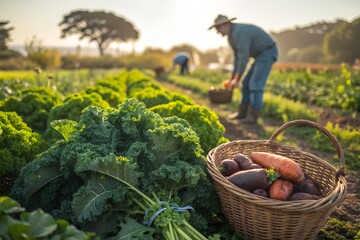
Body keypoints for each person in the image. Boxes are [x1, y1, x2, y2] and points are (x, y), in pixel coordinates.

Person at [209, 14, 278, 123]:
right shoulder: (231, 38)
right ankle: (242, 113)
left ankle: (253, 117)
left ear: (226, 24)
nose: (217, 32)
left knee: (255, 84)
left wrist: (237, 79)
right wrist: (233, 78)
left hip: (267, 52)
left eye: (218, 28)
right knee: (246, 84)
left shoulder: (239, 33)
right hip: (258, 55)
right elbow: (237, 58)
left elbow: (244, 58)